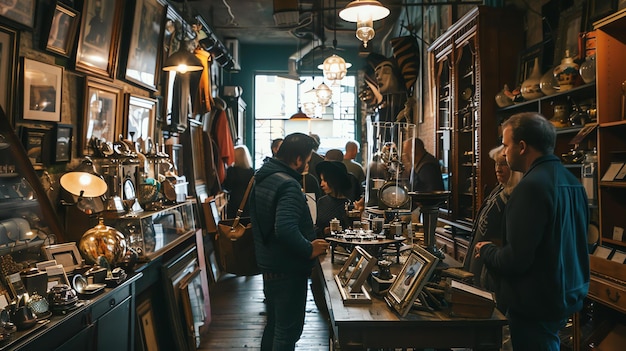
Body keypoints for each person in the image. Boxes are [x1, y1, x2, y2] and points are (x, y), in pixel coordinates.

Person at [474, 112, 589, 351]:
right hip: (566, 295)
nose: (504, 152)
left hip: (535, 303)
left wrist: (487, 251)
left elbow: (517, 259)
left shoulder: (530, 187)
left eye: (506, 145)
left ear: (522, 147)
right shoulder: (573, 182)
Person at [249, 132, 330, 351]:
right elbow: (285, 228)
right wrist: (308, 249)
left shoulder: (262, 177)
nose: (307, 164)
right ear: (297, 159)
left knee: (275, 326)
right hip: (287, 269)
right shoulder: (289, 185)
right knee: (288, 332)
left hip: (270, 265)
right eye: (307, 159)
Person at [463, 145, 522, 312]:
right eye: (496, 164)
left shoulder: (516, 196)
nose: (498, 168)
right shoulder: (499, 190)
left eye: (504, 164)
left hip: (493, 267)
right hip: (481, 261)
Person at [314, 161, 353, 238]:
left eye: (325, 180)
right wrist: (323, 231)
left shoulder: (348, 205)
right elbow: (316, 227)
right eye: (321, 180)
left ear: (334, 180)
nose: (321, 184)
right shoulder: (321, 201)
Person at [222, 145, 255, 219]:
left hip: (234, 201)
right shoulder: (251, 171)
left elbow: (227, 186)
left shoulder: (231, 170)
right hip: (248, 202)